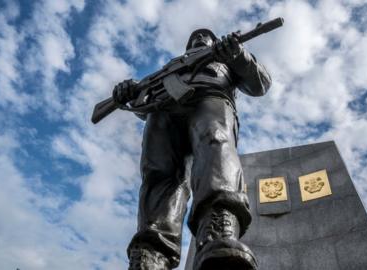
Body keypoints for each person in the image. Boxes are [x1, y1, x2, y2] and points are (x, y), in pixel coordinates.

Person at [113, 28, 272, 270]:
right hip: (163, 110)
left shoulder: (225, 55)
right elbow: (143, 104)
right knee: (158, 172)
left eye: (206, 35)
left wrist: (237, 54)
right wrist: (130, 95)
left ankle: (219, 228)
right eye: (195, 36)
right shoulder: (171, 65)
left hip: (210, 97)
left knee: (215, 146)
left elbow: (260, 83)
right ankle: (153, 251)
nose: (200, 38)